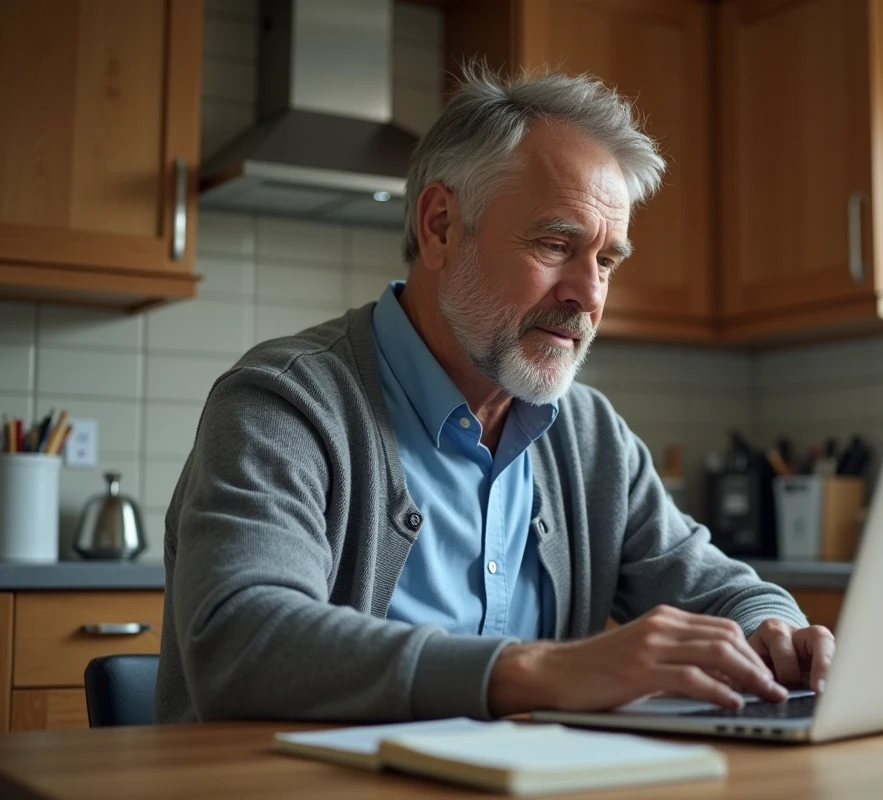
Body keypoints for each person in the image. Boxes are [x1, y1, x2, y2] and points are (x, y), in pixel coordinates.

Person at [155, 67, 834, 724]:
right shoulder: (285, 405)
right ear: (442, 226)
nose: (589, 295)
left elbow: (719, 589)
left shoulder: (588, 435)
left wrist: (773, 633)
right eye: (555, 243)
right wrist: (543, 672)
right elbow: (242, 641)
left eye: (605, 260)